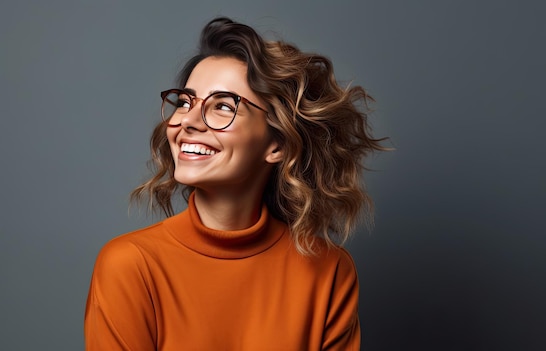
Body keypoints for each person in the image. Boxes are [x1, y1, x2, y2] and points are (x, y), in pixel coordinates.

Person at [84, 16, 386, 350]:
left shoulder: (328, 270)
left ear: (279, 145)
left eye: (223, 106)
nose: (188, 122)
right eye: (185, 102)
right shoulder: (129, 265)